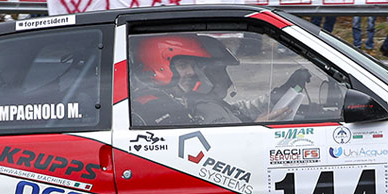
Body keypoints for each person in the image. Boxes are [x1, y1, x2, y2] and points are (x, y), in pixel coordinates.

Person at [131, 34, 310, 126]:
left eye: (193, 66)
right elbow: (202, 154)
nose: (192, 73)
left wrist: (279, 94)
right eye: (183, 65)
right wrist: (256, 129)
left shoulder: (189, 99)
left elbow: (238, 111)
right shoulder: (156, 108)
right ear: (158, 64)